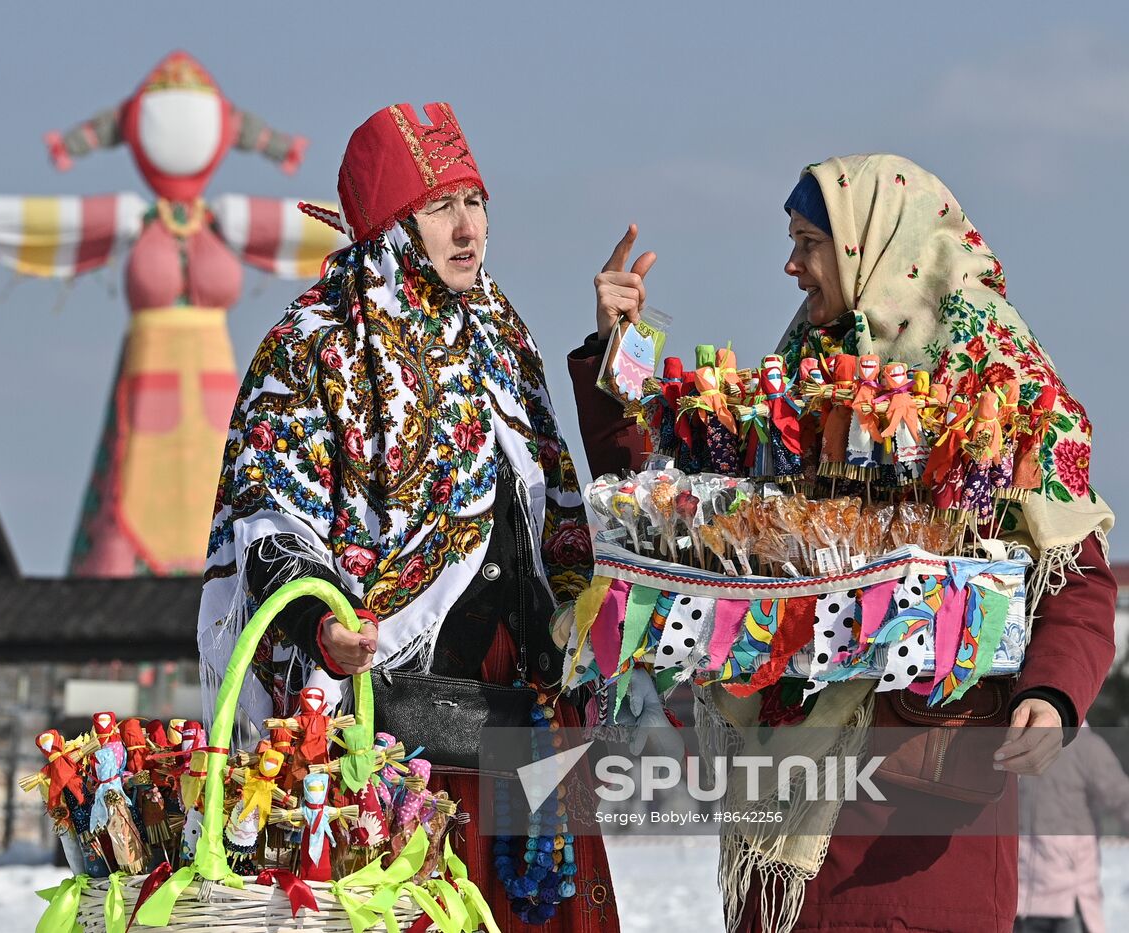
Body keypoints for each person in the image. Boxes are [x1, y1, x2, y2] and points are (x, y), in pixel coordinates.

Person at [569, 153, 1118, 932]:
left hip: (918, 832)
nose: (790, 266)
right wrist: (618, 350)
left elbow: (1077, 574)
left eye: (807, 242)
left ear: (872, 246)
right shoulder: (801, 377)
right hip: (780, 818)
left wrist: (1053, 694)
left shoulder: (1000, 388)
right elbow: (677, 520)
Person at [198, 102, 614, 931]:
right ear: (391, 228)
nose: (468, 229)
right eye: (439, 209)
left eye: (476, 202)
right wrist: (321, 620)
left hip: (529, 701)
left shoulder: (503, 333)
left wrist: (619, 347)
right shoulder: (315, 344)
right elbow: (268, 511)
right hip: (394, 711)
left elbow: (557, 490)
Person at [1017, 724, 1129, 933]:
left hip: (1069, 899)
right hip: (1018, 899)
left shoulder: (1086, 746)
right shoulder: (1014, 740)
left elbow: (1121, 797)